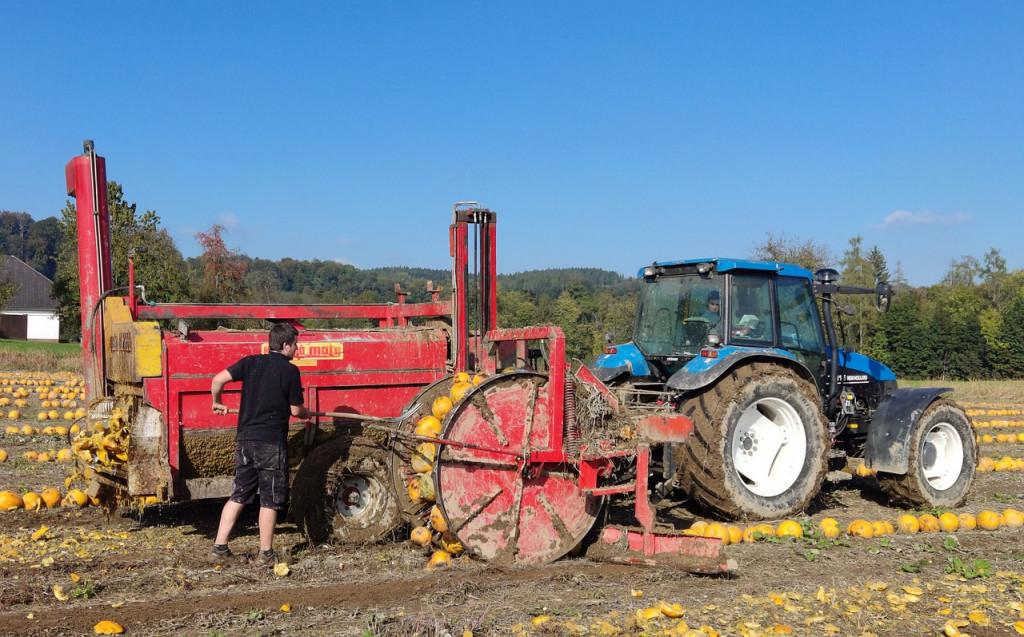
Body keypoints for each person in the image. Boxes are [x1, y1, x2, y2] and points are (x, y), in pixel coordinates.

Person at [209, 322, 310, 566]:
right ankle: (266, 553)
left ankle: (219, 546)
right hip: (270, 443)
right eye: (295, 344)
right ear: (285, 345)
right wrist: (307, 413)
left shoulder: (250, 362)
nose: (297, 349)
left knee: (239, 494)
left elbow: (217, 379)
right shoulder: (290, 371)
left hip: (245, 440)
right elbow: (295, 410)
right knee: (270, 499)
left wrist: (217, 402)